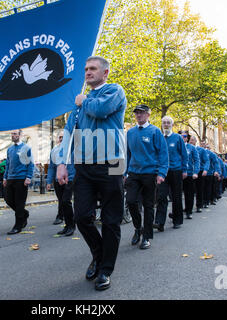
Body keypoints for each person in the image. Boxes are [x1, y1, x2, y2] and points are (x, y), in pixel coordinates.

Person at [57, 56, 127, 291]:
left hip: (113, 163)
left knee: (110, 220)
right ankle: (98, 255)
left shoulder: (114, 90)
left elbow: (101, 109)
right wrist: (61, 163)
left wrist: (83, 100)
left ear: (105, 73)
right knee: (82, 217)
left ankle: (106, 270)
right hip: (84, 165)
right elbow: (68, 134)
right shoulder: (78, 104)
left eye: (92, 69)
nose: (87, 72)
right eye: (85, 69)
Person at [125, 105, 168, 249]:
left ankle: (146, 237)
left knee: (148, 206)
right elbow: (128, 154)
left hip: (150, 173)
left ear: (148, 115)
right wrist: (125, 172)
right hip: (133, 173)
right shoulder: (130, 132)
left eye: (142, 113)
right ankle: (138, 228)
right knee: (130, 201)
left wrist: (161, 173)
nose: (139, 115)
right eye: (137, 113)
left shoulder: (155, 131)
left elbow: (163, 153)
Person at [154, 117, 188, 230]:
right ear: (162, 124)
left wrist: (184, 170)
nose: (166, 124)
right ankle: (159, 222)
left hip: (176, 171)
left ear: (172, 124)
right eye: (164, 122)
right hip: (162, 172)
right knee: (161, 196)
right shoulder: (158, 137)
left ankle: (177, 220)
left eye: (168, 122)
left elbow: (184, 155)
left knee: (176, 196)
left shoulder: (178, 138)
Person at [3, 129, 34, 234]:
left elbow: (31, 164)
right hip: (10, 178)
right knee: (8, 199)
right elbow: (8, 164)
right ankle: (24, 213)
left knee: (19, 202)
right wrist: (5, 177)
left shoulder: (26, 148)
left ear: (20, 135)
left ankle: (18, 225)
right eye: (12, 134)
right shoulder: (10, 149)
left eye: (15, 134)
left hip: (22, 179)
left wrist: (28, 177)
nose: (12, 135)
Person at [47, 132, 76, 236]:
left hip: (70, 178)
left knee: (66, 201)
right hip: (57, 179)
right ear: (57, 139)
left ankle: (71, 226)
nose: (61, 139)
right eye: (60, 137)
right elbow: (51, 167)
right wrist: (49, 181)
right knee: (62, 202)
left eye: (63, 137)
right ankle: (67, 225)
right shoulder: (54, 150)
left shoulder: (72, 148)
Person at [179, 131, 200, 220]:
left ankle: (189, 211)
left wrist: (195, 172)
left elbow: (196, 160)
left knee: (189, 194)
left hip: (189, 174)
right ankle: (178, 212)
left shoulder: (191, 148)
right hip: (177, 173)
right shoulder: (176, 146)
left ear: (187, 138)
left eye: (184, 136)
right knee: (177, 194)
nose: (182, 137)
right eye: (180, 136)